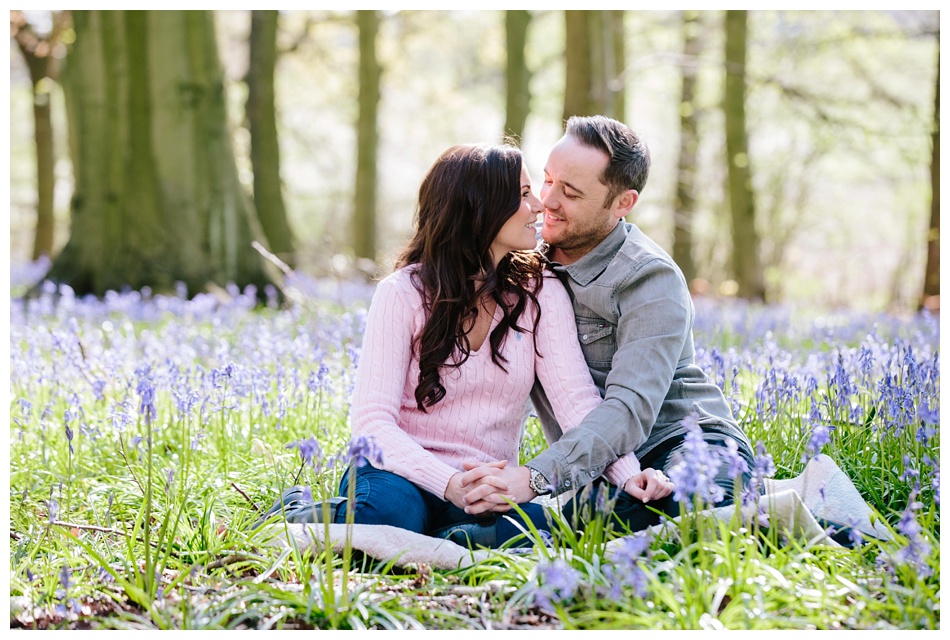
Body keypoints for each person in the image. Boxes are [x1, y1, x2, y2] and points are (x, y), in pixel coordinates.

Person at [291, 143, 673, 548]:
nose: (540, 206)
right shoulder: (402, 293)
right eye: (524, 194)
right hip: (396, 472)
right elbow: (372, 423)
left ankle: (448, 538)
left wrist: (630, 475)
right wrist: (448, 482)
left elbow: (575, 401)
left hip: (484, 485)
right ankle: (297, 511)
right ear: (481, 207)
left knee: (541, 529)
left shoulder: (540, 293)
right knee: (388, 518)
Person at [459, 116, 755, 533]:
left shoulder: (649, 278)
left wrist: (533, 478)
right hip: (598, 467)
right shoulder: (523, 263)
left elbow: (629, 410)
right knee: (593, 524)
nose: (547, 202)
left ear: (622, 203)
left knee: (701, 506)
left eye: (571, 192)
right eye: (547, 181)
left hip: (684, 441)